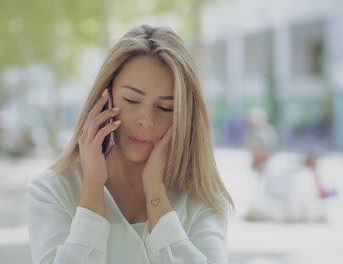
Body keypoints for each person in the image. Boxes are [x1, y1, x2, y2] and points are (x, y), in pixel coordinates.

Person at [26, 25, 234, 264]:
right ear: (105, 97)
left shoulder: (202, 200)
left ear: (185, 117)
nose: (146, 120)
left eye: (165, 108)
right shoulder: (51, 190)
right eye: (132, 100)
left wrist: (155, 191)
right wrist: (92, 188)